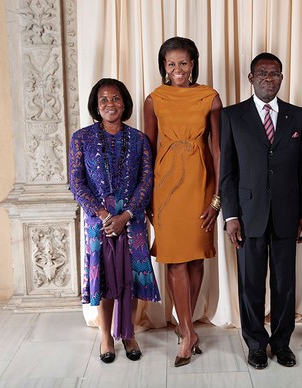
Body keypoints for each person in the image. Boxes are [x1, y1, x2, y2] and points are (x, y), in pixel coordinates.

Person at [220, 52, 302, 369]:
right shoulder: (232, 117)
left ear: (282, 78)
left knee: (285, 284)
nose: (268, 79)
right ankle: (256, 344)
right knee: (251, 284)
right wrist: (230, 215)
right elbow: (228, 172)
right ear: (251, 78)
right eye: (262, 73)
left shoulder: (298, 117)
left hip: (287, 214)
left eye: (274, 74)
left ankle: (282, 343)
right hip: (248, 215)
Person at [69, 78, 161, 364]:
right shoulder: (81, 138)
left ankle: (129, 332)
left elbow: (147, 181)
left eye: (116, 98)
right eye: (104, 100)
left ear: (125, 103)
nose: (111, 104)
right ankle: (106, 336)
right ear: (96, 106)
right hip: (99, 224)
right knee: (107, 280)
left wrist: (128, 214)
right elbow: (76, 182)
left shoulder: (139, 140)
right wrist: (104, 215)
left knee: (130, 278)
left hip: (131, 222)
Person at [143, 36, 222, 368]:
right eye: (171, 64)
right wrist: (144, 194)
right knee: (175, 259)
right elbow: (147, 150)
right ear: (164, 67)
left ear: (193, 64)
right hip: (165, 187)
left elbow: (218, 150)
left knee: (195, 259)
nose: (177, 69)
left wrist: (218, 198)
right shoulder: (154, 99)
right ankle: (187, 331)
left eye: (183, 63)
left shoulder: (210, 98)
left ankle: (186, 327)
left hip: (201, 183)